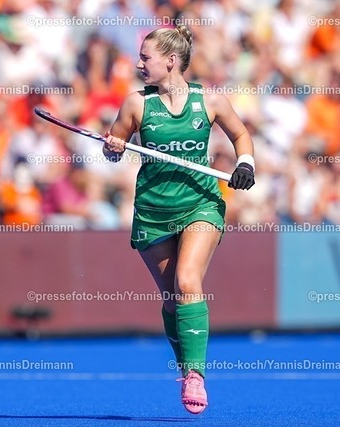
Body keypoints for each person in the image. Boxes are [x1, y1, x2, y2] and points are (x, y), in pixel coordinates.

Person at [103, 25, 255, 414]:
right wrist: (113, 146)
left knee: (187, 281)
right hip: (153, 211)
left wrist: (245, 164)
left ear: (171, 61)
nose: (139, 64)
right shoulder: (136, 104)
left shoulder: (210, 100)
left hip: (200, 203)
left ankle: (196, 375)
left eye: (145, 58)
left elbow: (241, 136)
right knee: (173, 298)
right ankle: (186, 368)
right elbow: (114, 149)